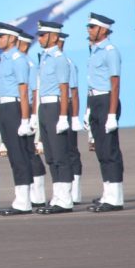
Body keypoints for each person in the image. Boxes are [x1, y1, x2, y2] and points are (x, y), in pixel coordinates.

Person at [84, 13, 126, 213]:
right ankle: (107, 192)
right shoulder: (94, 50)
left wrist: (111, 113)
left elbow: (115, 83)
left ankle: (116, 196)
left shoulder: (110, 51)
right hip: (95, 100)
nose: (89, 30)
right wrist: (88, 109)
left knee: (110, 149)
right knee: (100, 150)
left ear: (103, 30)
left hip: (106, 99)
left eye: (92, 27)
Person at [0, 22, 34, 215]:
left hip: (14, 107)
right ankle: (21, 197)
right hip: (4, 107)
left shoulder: (18, 59)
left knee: (19, 154)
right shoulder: (5, 59)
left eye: (1, 36)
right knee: (13, 155)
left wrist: (25, 119)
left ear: (11, 38)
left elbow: (24, 92)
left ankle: (24, 200)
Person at [33, 21, 73, 214]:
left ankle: (65, 199)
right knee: (50, 155)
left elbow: (65, 90)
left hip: (56, 106)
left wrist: (64, 116)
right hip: (45, 106)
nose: (39, 38)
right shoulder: (45, 58)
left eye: (43, 34)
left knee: (60, 155)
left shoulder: (59, 58)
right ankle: (57, 196)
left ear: (54, 37)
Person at [16, 29, 48, 206]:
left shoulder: (28, 64)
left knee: (31, 152)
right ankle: (32, 193)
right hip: (21, 111)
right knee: (24, 153)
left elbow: (34, 92)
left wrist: (32, 116)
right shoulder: (18, 62)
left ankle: (39, 194)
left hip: (27, 112)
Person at [57, 32, 86, 203]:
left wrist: (74, 116)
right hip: (56, 108)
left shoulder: (67, 63)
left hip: (66, 108)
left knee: (71, 150)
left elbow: (73, 93)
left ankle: (75, 190)